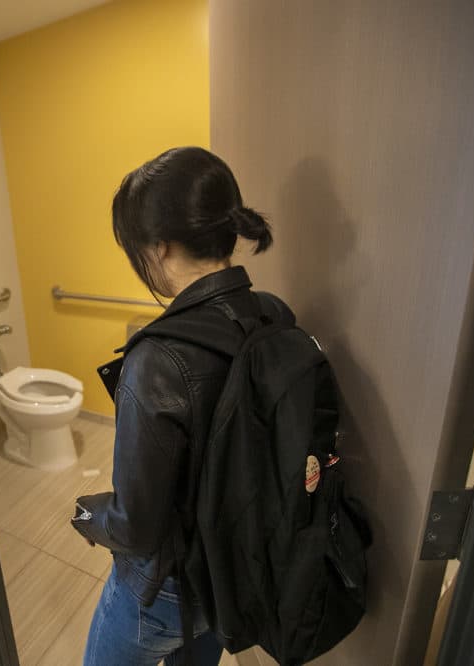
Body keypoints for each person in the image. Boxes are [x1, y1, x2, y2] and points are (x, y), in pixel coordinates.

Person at [71, 146, 287, 665]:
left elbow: (135, 527)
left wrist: (84, 512)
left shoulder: (156, 360)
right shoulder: (274, 316)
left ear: (162, 247)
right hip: (232, 572)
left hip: (167, 590)